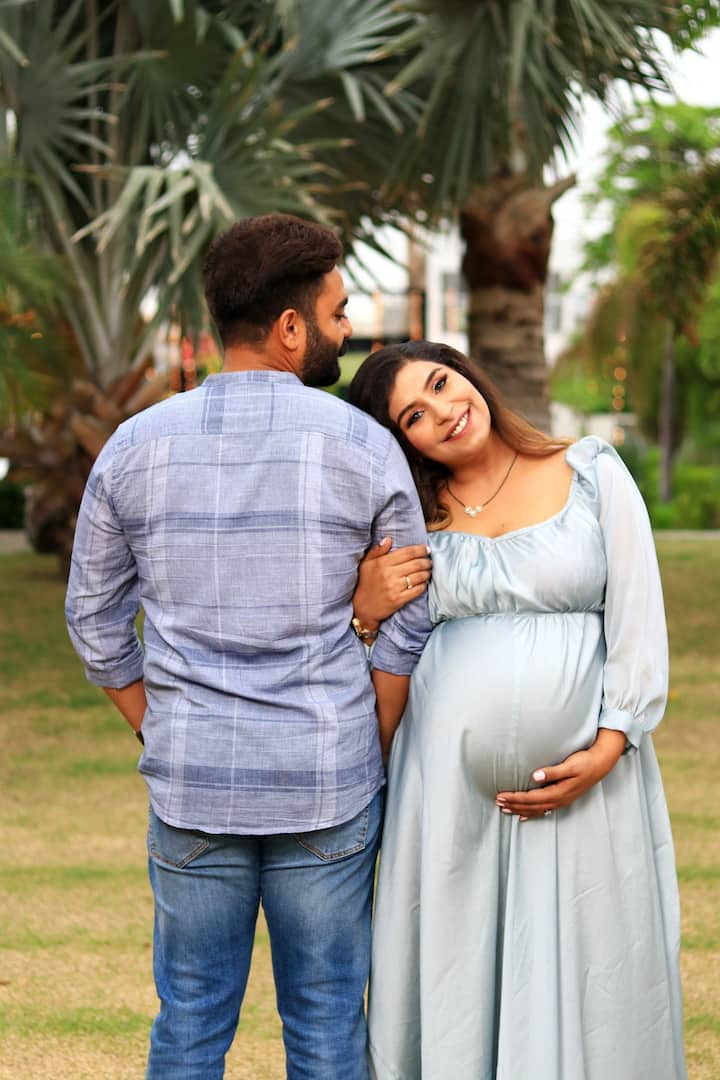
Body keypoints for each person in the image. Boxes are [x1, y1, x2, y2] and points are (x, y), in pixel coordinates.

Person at [64, 213, 433, 1080]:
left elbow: (93, 620)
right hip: (328, 784)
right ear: (290, 327)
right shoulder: (364, 446)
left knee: (189, 1022)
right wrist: (364, 739)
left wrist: (159, 728)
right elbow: (410, 617)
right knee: (328, 1022)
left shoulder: (133, 448)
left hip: (191, 786)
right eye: (338, 313)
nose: (347, 331)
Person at [347, 340, 686, 1079]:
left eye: (442, 383)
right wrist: (364, 611)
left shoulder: (589, 471)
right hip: (443, 799)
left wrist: (607, 746)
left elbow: (637, 616)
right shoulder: (407, 521)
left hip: (588, 786)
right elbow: (364, 658)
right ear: (401, 439)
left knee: (589, 963)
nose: (442, 410)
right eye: (414, 413)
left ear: (470, 374)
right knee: (456, 976)